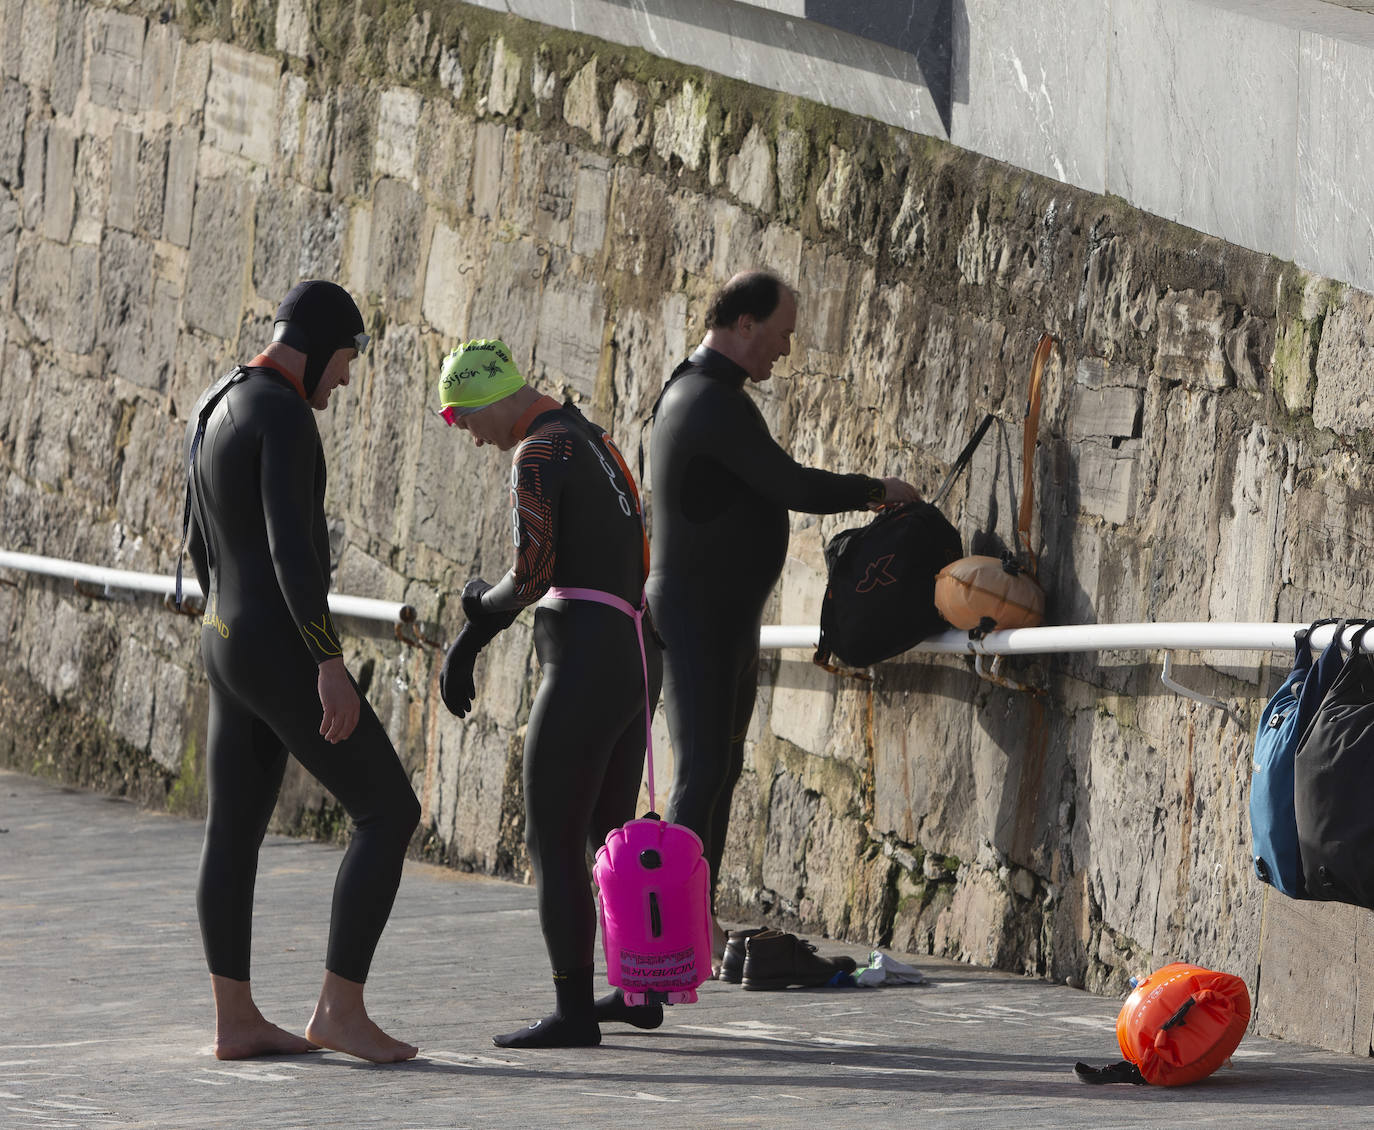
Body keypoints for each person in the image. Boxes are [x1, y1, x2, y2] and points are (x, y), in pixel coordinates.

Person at [647, 269, 920, 962]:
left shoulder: (715, 393)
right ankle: (676, 927)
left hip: (725, 615)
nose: (786, 350)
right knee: (702, 769)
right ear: (743, 324)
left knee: (723, 768)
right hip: (697, 616)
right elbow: (789, 483)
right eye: (780, 334)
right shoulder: (706, 399)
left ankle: (697, 917)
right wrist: (877, 491)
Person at [181, 280, 421, 1063]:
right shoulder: (282, 412)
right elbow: (293, 552)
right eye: (346, 359)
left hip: (223, 635)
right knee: (388, 810)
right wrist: (327, 660)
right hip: (279, 643)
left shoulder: (217, 398)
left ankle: (236, 1020)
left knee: (234, 831)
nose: (345, 378)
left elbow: (196, 540)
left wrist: (232, 629)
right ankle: (340, 1009)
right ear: (317, 346)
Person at [435, 338, 664, 1049]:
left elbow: (530, 575)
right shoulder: (591, 439)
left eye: (462, 417)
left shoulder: (537, 453)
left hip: (588, 659)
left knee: (554, 838)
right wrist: (474, 640)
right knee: (607, 834)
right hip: (635, 653)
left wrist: (473, 618)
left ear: (488, 397)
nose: (467, 435)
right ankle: (637, 988)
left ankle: (572, 1013)